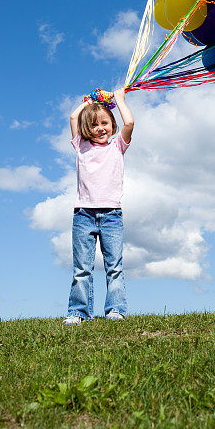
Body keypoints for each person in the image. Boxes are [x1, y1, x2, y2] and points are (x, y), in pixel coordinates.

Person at [63, 89, 134, 325]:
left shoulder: (117, 147)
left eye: (105, 123)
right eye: (94, 125)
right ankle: (78, 313)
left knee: (114, 266)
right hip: (83, 214)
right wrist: (91, 102)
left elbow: (130, 122)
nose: (100, 128)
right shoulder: (81, 146)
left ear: (112, 126)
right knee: (82, 268)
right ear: (87, 130)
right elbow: (74, 118)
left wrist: (119, 100)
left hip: (112, 215)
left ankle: (116, 310)